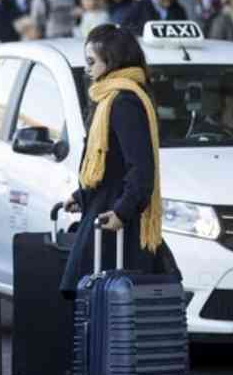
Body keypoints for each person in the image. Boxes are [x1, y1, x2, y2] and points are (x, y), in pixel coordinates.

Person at [59, 25, 162, 299]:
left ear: (112, 61)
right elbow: (108, 164)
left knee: (106, 306)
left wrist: (122, 212)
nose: (88, 69)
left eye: (92, 62)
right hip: (104, 210)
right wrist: (81, 195)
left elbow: (141, 167)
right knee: (95, 304)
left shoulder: (123, 101)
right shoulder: (109, 96)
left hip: (115, 222)